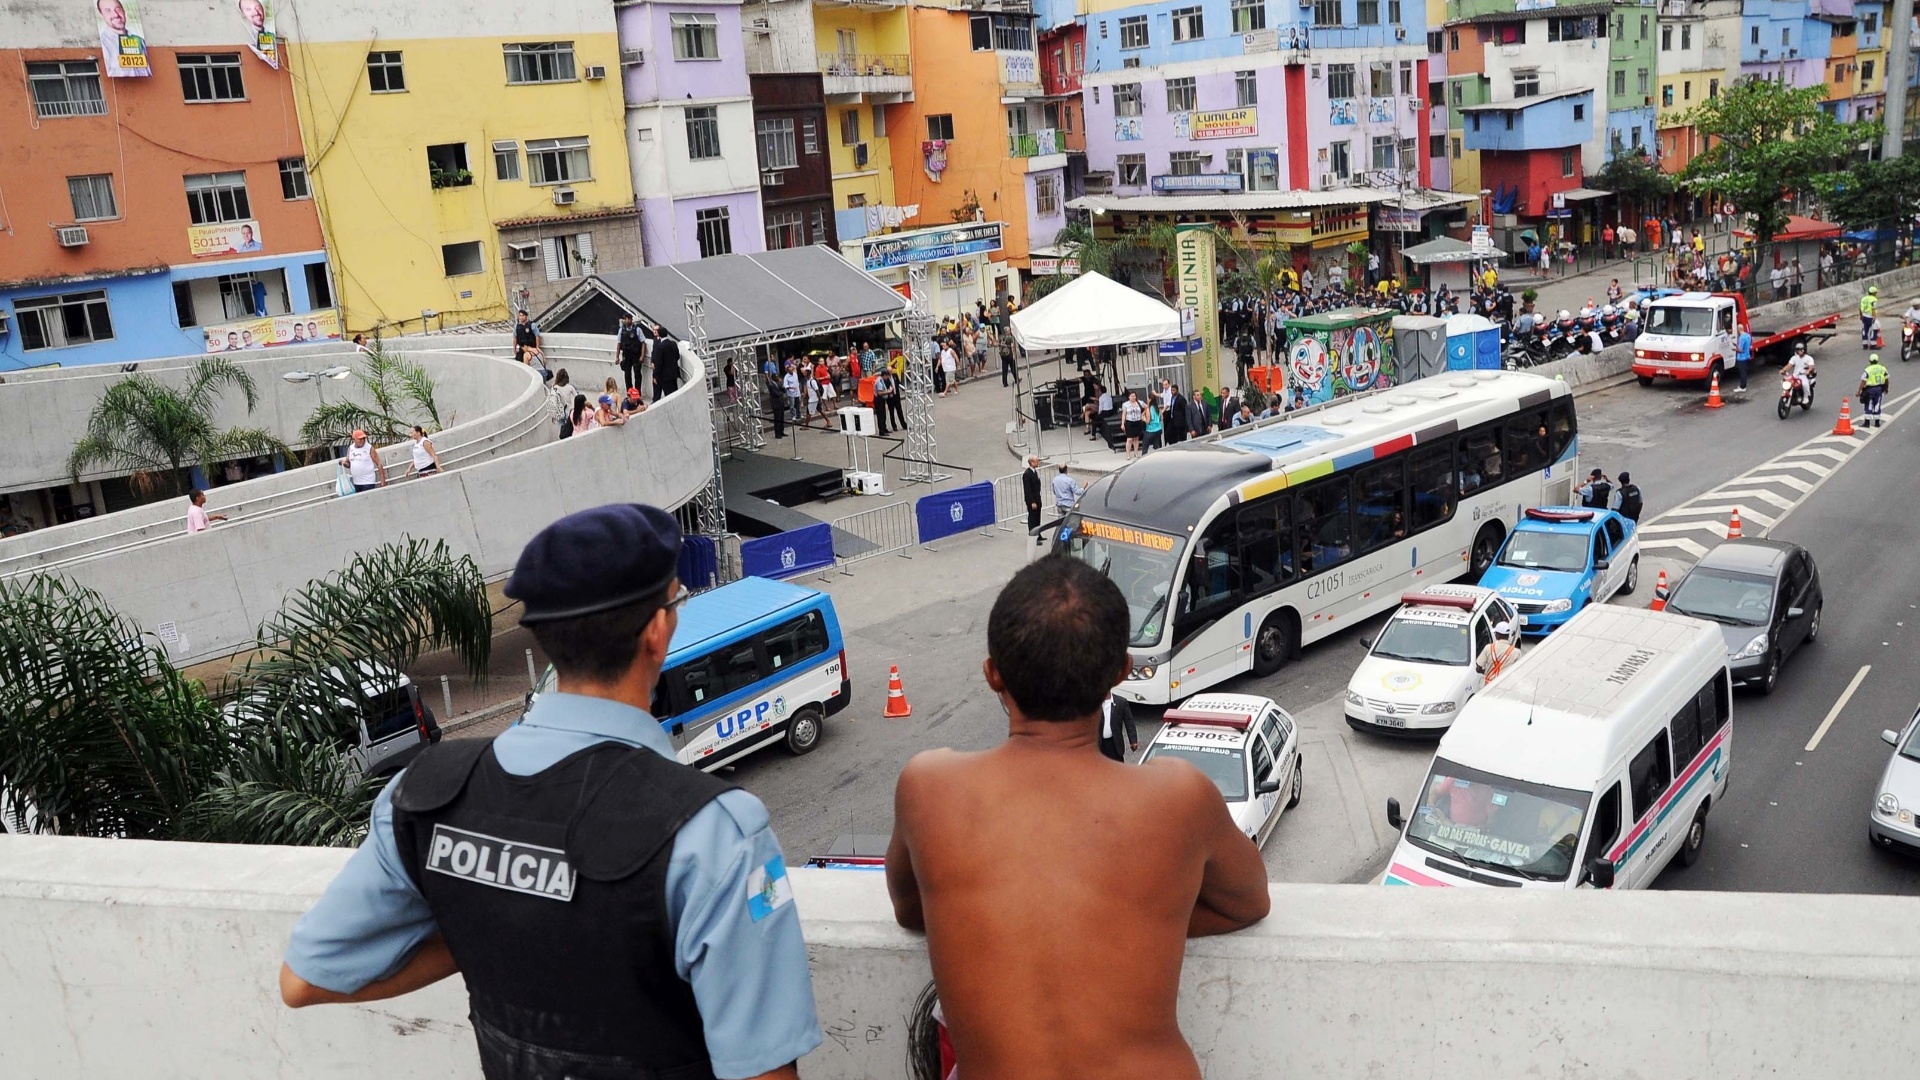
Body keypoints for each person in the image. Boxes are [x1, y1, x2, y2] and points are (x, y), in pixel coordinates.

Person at [279, 505, 822, 1080]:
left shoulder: (425, 792)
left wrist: (486, 929)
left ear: (544, 639)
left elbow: (304, 978)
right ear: (658, 631)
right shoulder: (714, 833)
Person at [884, 558, 1270, 1080]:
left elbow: (912, 912)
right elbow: (1249, 903)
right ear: (1121, 673)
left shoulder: (927, 787)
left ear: (992, 672)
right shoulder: (1180, 796)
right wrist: (1148, 921)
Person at [1096, 691, 1137, 761]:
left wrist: (1133, 741)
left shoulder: (1121, 702)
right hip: (1099, 743)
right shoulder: (1093, 704)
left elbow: (1129, 722)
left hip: (1114, 743)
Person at [342, 429, 385, 493]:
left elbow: (379, 463)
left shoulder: (369, 448)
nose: (362, 440)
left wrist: (383, 480)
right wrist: (343, 463)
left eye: (364, 438)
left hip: (368, 481)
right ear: (354, 440)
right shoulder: (350, 448)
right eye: (360, 439)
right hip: (357, 482)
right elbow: (349, 464)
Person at [616, 315, 647, 394]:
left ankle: (637, 392)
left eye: (629, 319)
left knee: (637, 374)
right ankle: (629, 392)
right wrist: (617, 357)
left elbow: (643, 343)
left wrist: (642, 355)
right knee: (627, 375)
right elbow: (619, 344)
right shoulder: (621, 330)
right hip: (626, 355)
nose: (627, 321)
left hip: (636, 355)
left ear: (631, 320)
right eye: (626, 319)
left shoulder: (637, 329)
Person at [651, 327, 682, 399]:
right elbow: (677, 356)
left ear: (659, 334)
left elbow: (658, 363)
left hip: (664, 376)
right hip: (674, 373)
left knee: (668, 396)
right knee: (675, 393)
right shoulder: (673, 344)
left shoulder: (660, 347)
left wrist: (655, 376)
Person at [1860, 353, 1889, 428]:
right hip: (1879, 389)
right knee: (1877, 404)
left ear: (1869, 361)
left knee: (1869, 404)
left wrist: (1859, 390)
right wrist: (1886, 388)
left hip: (1870, 389)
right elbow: (1886, 379)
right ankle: (1877, 423)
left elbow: (1863, 381)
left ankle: (1867, 423)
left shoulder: (1867, 370)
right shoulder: (1882, 368)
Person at [1022, 455, 1045, 545]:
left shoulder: (1034, 472)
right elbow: (1027, 490)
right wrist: (1032, 502)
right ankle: (1033, 537)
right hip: (1033, 501)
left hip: (1037, 499)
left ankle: (1038, 534)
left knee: (1037, 518)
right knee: (1032, 519)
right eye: (1036, 461)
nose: (1038, 462)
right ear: (1031, 462)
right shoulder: (1027, 474)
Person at [1121, 390, 1144, 458]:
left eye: (1134, 396)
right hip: (1129, 422)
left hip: (1138, 421)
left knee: (1136, 439)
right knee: (1129, 439)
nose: (1133, 397)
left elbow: (1146, 407)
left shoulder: (1140, 402)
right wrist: (1122, 423)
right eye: (1131, 396)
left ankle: (1136, 453)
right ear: (1129, 397)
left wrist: (1143, 414)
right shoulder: (1125, 404)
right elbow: (1124, 414)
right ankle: (1128, 454)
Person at [1734, 322, 1753, 392]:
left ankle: (1743, 387)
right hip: (1747, 356)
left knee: (1742, 373)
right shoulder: (1748, 336)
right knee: (1744, 372)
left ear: (1738, 330)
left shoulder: (1742, 338)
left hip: (1741, 358)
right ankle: (1743, 385)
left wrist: (1734, 348)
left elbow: (1740, 349)